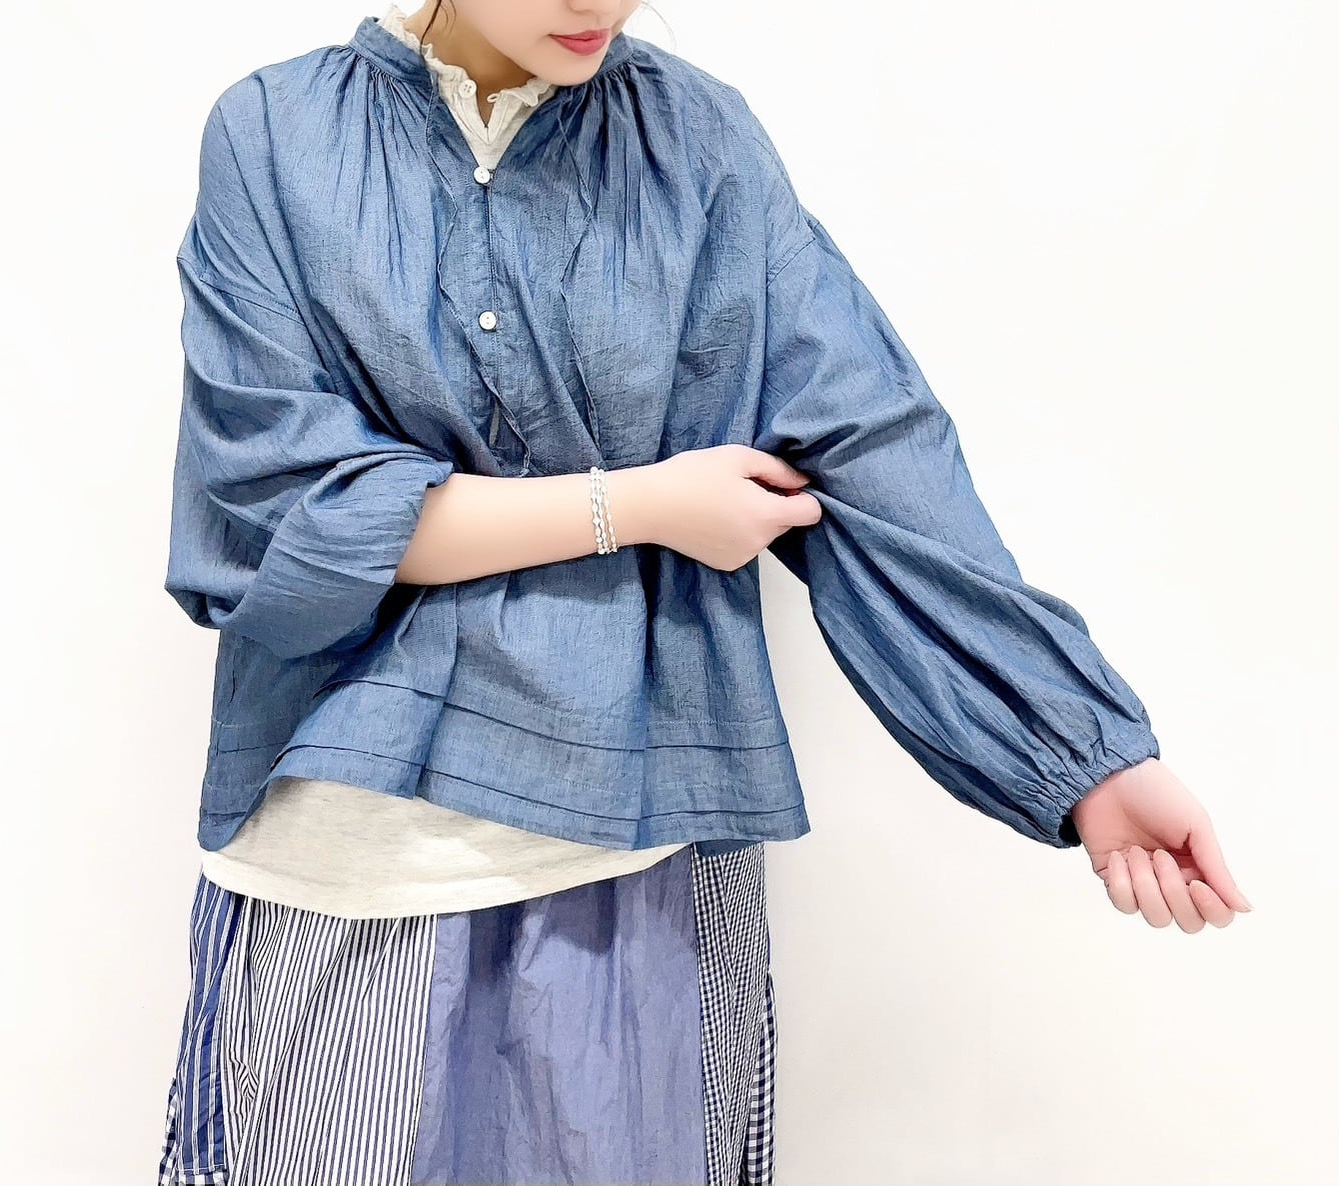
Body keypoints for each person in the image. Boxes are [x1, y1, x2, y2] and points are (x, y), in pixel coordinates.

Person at [155, 3, 1253, 1184]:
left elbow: (871, 447)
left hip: (633, 851)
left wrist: (1078, 753)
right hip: (351, 861)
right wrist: (635, 505)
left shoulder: (697, 144)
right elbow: (278, 509)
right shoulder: (275, 135)